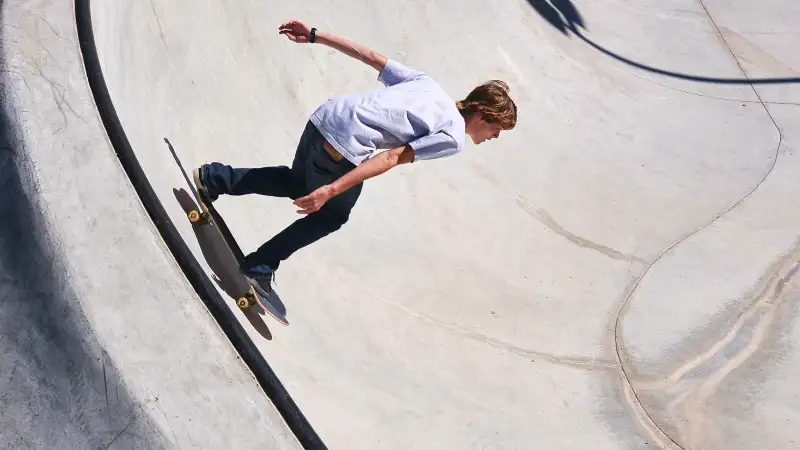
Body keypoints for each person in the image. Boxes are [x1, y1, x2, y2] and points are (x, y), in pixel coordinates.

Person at [193, 20, 517, 297]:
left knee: (296, 181)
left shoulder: (429, 85)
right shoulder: (451, 136)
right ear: (483, 116)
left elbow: (372, 57)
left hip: (324, 117)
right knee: (331, 215)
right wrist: (331, 190)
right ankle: (260, 264)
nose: (495, 137)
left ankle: (214, 178)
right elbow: (390, 158)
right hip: (342, 146)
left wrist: (316, 35)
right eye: (497, 129)